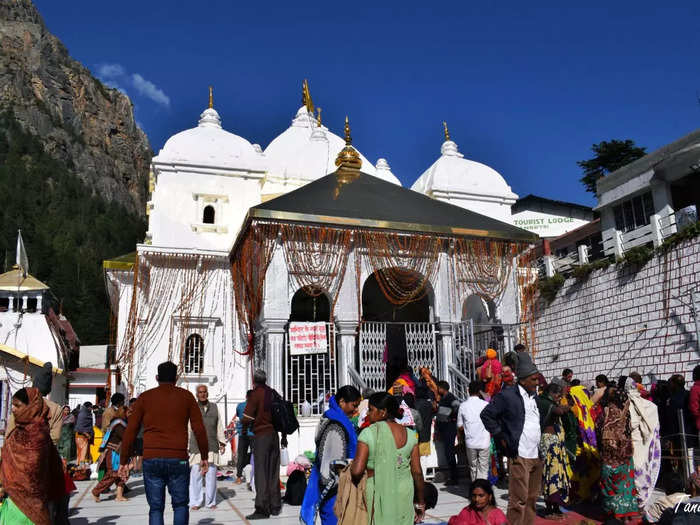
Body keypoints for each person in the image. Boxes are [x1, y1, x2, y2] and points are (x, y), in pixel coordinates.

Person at [118, 361, 209, 525]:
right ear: (177, 378)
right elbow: (199, 429)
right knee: (180, 505)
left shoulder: (145, 397)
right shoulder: (186, 397)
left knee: (155, 508)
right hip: (178, 458)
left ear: (157, 378)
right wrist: (204, 456)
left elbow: (130, 430)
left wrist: (124, 461)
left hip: (151, 458)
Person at [480, 352, 542, 525]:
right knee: (518, 500)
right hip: (519, 454)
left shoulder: (534, 397)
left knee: (531, 499)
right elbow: (487, 415)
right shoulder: (507, 396)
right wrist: (501, 435)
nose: (537, 383)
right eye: (534, 380)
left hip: (536, 454)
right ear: (523, 380)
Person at [350, 392, 425, 525]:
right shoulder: (410, 434)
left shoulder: (368, 433)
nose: (368, 414)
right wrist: (420, 502)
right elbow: (417, 472)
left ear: (383, 412)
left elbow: (356, 471)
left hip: (378, 490)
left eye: (371, 410)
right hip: (404, 492)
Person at [0, 387, 65, 525]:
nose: (13, 409)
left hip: (30, 502)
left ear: (31, 407)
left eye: (17, 405)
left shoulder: (38, 434)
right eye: (12, 405)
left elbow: (33, 467)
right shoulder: (18, 429)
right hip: (12, 498)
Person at [300, 385, 361, 525]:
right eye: (354, 405)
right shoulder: (335, 426)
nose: (356, 409)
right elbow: (329, 466)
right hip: (334, 491)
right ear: (342, 402)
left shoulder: (336, 418)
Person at [242, 369, 282, 520]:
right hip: (274, 435)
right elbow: (281, 416)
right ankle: (275, 506)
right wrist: (283, 437)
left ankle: (262, 508)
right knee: (273, 471)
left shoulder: (255, 394)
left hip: (261, 436)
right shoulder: (273, 393)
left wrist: (245, 430)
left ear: (254, 381)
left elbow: (246, 417)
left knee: (261, 472)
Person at [597, 385, 640, 522]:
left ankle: (614, 513)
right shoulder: (627, 409)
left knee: (609, 482)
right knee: (625, 482)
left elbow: (598, 428)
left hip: (610, 453)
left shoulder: (605, 411)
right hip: (624, 451)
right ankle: (625, 514)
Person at [536, 382, 572, 519]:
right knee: (551, 474)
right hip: (548, 442)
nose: (559, 398)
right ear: (552, 393)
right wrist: (567, 407)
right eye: (558, 395)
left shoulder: (548, 401)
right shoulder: (544, 402)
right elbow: (559, 411)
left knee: (557, 475)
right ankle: (549, 509)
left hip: (556, 444)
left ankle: (555, 507)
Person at [625, 377, 661, 510]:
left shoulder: (630, 405)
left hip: (637, 442)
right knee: (639, 469)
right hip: (640, 443)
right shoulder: (648, 406)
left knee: (636, 470)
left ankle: (637, 501)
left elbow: (632, 423)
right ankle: (638, 501)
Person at [189, 384, 226, 510]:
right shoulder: (192, 408)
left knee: (211, 476)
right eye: (200, 392)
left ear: (207, 393)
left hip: (211, 445)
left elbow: (219, 426)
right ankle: (195, 502)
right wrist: (186, 445)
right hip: (196, 446)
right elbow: (188, 427)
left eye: (204, 392)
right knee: (196, 475)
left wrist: (222, 442)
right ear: (196, 394)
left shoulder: (214, 407)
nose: (203, 394)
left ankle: (211, 502)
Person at [92, 405, 129, 502]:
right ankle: (96, 491)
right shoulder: (119, 424)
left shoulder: (121, 423)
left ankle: (119, 496)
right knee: (112, 474)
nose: (130, 415)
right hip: (113, 452)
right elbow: (125, 437)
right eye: (128, 413)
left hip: (119, 452)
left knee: (121, 474)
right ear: (123, 413)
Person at [457, 380, 490, 483]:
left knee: (473, 467)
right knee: (483, 468)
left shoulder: (463, 406)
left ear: (468, 390)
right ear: (480, 391)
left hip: (470, 441)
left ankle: (475, 488)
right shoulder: (485, 404)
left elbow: (460, 425)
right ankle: (482, 489)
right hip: (484, 441)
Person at [235, 390, 254, 484]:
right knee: (255, 455)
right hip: (254, 434)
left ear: (246, 396)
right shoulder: (256, 406)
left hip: (243, 434)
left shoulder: (240, 405)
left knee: (241, 455)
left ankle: (239, 477)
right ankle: (255, 475)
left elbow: (239, 415)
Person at [414, 385, 435, 457]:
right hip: (426, 434)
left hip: (416, 435)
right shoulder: (429, 404)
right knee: (424, 458)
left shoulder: (415, 404)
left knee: (416, 457)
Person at [127, 397, 144, 476]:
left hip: (138, 436)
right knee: (137, 454)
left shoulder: (130, 413)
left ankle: (137, 469)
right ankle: (136, 469)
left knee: (137, 454)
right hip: (136, 436)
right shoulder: (140, 412)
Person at [75, 402, 95, 467]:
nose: (92, 409)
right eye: (91, 407)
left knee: (80, 452)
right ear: (88, 407)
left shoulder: (85, 413)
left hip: (82, 435)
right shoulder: (83, 414)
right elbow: (80, 427)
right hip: (82, 435)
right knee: (83, 452)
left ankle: (78, 465)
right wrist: (87, 434)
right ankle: (81, 466)